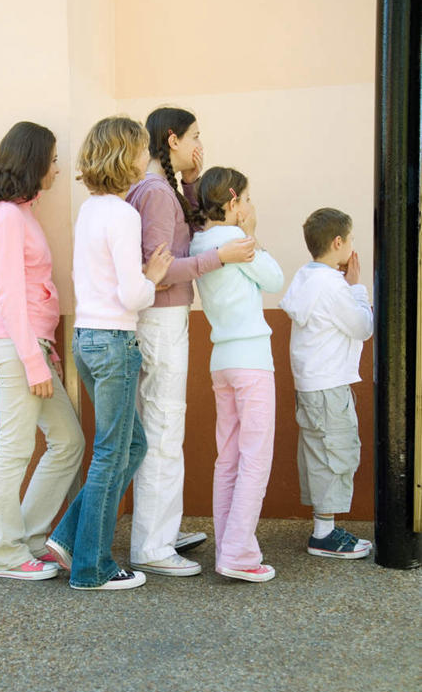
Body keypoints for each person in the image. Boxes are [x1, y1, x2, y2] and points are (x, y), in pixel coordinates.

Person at [126, 106, 256, 576]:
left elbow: (190, 225)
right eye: (195, 136)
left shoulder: (160, 190)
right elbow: (158, 271)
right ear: (173, 139)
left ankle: (159, 530)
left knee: (161, 427)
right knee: (164, 429)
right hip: (161, 320)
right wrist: (219, 257)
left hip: (160, 320)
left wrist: (194, 181)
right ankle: (152, 546)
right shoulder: (157, 193)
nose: (201, 144)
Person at [45, 116, 174, 590]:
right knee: (109, 454)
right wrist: (153, 276)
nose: (146, 157)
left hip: (87, 339)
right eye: (141, 150)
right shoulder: (123, 214)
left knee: (129, 446)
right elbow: (132, 295)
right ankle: (92, 568)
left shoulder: (90, 210)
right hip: (115, 342)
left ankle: (67, 538)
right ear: (126, 157)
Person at [0, 121, 85, 580]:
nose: (57, 169)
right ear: (33, 161)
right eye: (52, 160)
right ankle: (2, 554)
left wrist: (43, 352)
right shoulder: (7, 218)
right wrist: (34, 360)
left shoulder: (20, 213)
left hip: (32, 346)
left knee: (68, 442)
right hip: (17, 348)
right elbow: (12, 297)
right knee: (13, 449)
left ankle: (30, 541)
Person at [190, 167, 283, 582]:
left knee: (227, 457)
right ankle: (239, 553)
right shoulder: (237, 241)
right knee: (255, 457)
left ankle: (228, 548)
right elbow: (275, 279)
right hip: (252, 360)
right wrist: (253, 233)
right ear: (232, 203)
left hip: (221, 360)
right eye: (246, 198)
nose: (249, 205)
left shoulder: (200, 242)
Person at [279, 207, 373, 559]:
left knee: (319, 453)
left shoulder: (306, 277)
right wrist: (357, 288)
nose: (352, 245)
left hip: (312, 384)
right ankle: (324, 535)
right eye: (350, 239)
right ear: (337, 242)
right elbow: (362, 327)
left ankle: (324, 528)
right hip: (329, 385)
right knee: (337, 452)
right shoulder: (333, 286)